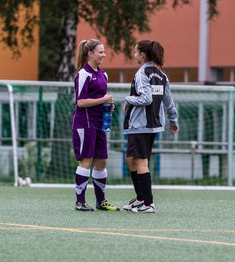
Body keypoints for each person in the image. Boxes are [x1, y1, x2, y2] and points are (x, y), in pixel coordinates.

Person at [123, 40, 179, 213]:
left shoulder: (142, 73)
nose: (134, 55)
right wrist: (173, 120)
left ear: (142, 54)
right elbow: (168, 102)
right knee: (131, 160)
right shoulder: (162, 75)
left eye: (135, 52)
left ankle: (148, 203)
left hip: (140, 125)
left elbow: (146, 99)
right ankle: (140, 199)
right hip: (153, 126)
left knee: (140, 162)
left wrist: (128, 99)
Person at [72, 39, 120, 212]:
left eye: (104, 51)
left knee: (102, 161)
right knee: (86, 160)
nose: (104, 55)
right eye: (100, 52)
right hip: (85, 123)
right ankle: (80, 202)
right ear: (89, 53)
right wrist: (103, 100)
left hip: (100, 122)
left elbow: (101, 99)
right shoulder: (84, 74)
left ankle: (101, 201)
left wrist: (108, 105)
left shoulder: (103, 74)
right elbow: (81, 102)